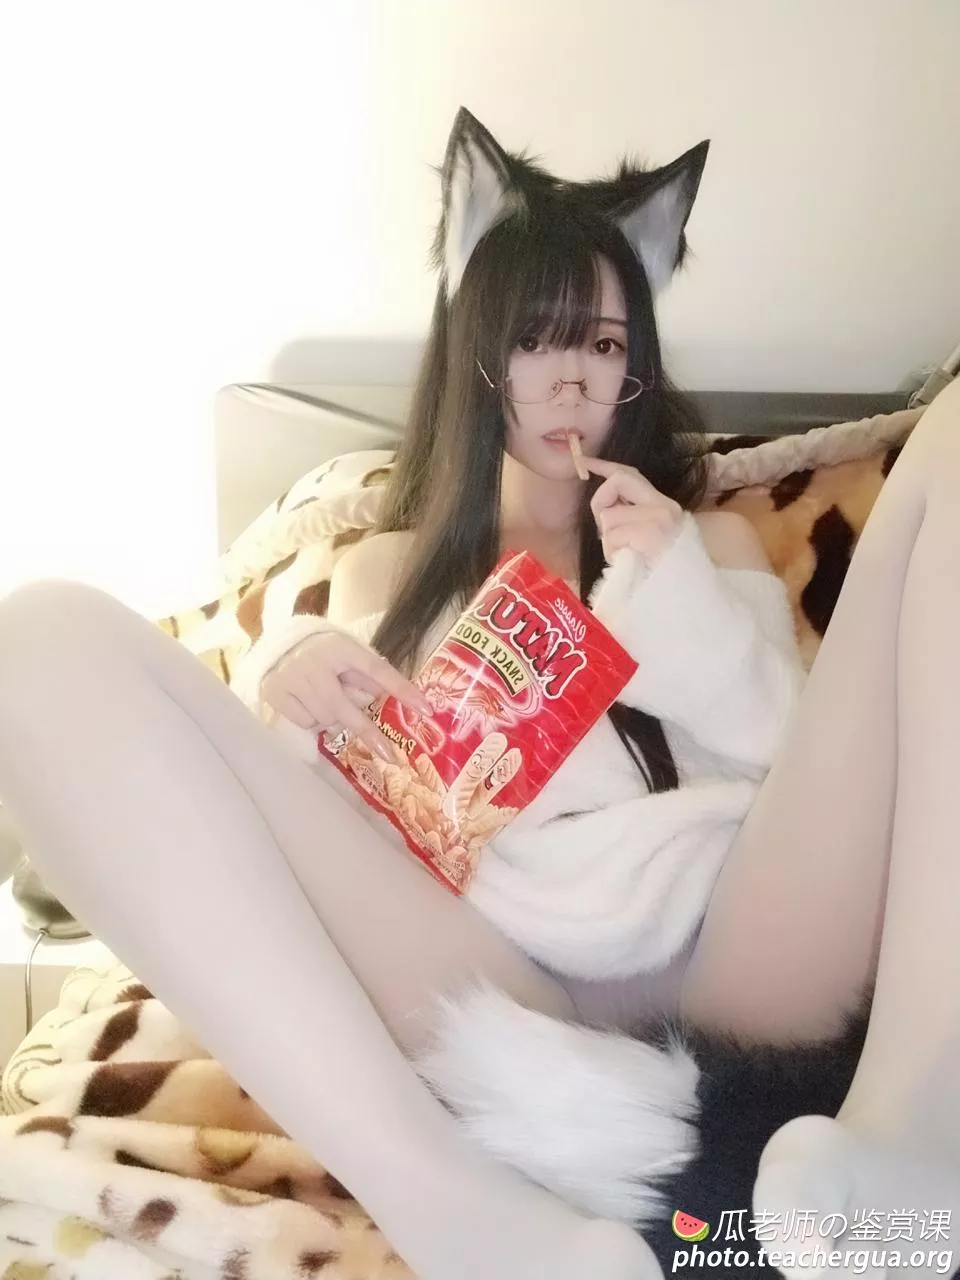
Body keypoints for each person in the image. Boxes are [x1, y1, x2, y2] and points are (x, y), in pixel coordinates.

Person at [0, 107, 957, 1280]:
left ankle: (916, 1134)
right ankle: (458, 1213)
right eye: (537, 339)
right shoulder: (383, 572)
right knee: (38, 634)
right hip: (492, 969)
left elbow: (801, 765)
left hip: (736, 940)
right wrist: (292, 687)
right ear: (478, 352)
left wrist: (676, 595)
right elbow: (307, 856)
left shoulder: (707, 538)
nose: (573, 376)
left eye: (604, 342)